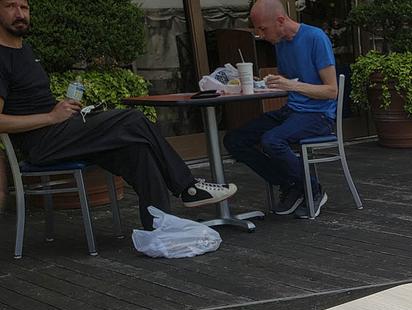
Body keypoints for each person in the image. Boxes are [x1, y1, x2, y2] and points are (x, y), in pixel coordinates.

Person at [0, 0, 237, 230]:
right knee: (132, 119)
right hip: (43, 144)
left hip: (63, 131)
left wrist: (62, 110)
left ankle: (160, 227)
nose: (19, 13)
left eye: (24, 7)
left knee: (137, 149)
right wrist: (51, 118)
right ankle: (188, 187)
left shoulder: (26, 50)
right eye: (10, 6)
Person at [224, 0, 337, 218]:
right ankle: (291, 183)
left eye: (263, 29)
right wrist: (261, 84)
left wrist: (291, 85)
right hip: (292, 111)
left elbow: (332, 91)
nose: (260, 35)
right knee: (234, 140)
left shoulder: (315, 38)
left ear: (281, 20)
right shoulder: (281, 44)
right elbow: (288, 80)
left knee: (272, 140)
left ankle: (313, 189)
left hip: (319, 114)